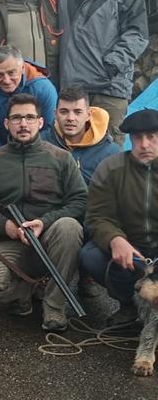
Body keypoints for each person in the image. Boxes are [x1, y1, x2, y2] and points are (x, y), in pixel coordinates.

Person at [0, 93, 87, 332]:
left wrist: (44, 222)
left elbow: (79, 200)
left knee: (69, 227)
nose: (23, 124)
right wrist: (7, 228)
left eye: (30, 117)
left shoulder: (62, 158)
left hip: (48, 238)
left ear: (41, 122)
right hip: (10, 243)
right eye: (17, 118)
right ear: (6, 123)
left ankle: (54, 305)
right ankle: (25, 290)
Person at [47, 0, 148, 144]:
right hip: (72, 90)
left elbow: (137, 35)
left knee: (108, 152)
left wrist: (112, 65)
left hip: (109, 89)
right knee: (70, 150)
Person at [80, 109, 158, 326]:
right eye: (137, 138)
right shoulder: (110, 168)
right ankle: (129, 305)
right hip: (131, 249)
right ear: (130, 139)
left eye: (151, 137)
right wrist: (115, 239)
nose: (144, 144)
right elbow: (96, 215)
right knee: (91, 256)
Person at [0, 45, 57, 154]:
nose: (6, 80)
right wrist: (4, 161)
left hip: (37, 151)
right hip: (0, 152)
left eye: (11, 73)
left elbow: (49, 130)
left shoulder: (43, 89)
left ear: (22, 68)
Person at [41, 86, 121, 185]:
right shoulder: (41, 144)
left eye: (77, 112)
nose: (70, 118)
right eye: (64, 112)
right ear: (55, 114)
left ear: (88, 115)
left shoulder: (111, 153)